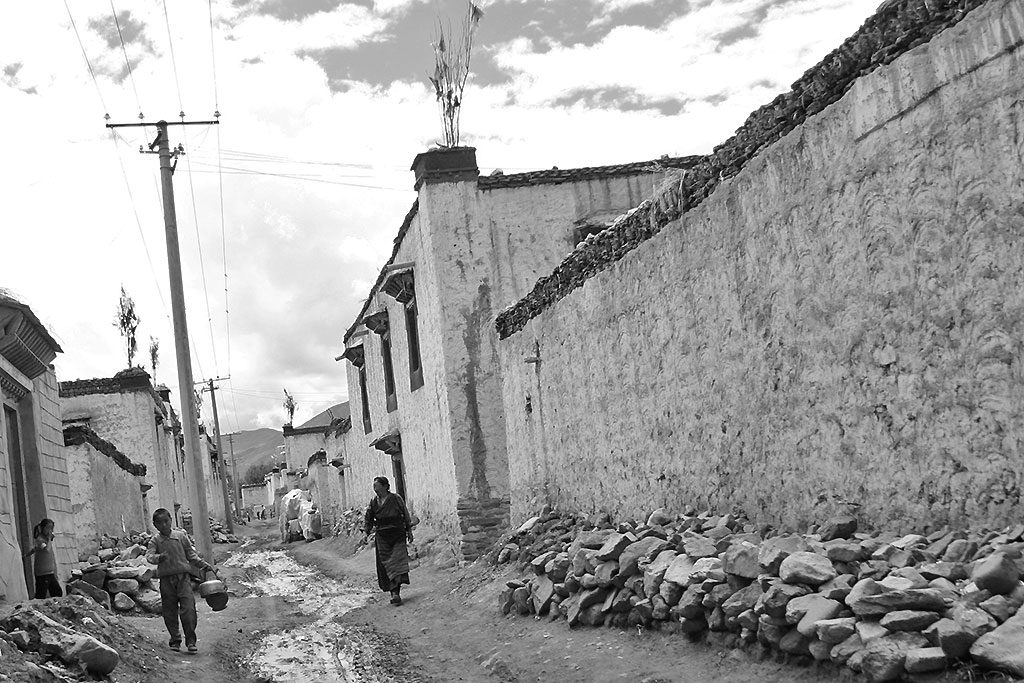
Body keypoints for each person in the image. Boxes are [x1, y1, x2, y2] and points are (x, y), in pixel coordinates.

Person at [146, 508, 218, 654]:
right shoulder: (155, 541)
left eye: (166, 521)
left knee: (189, 609)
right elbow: (149, 557)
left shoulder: (180, 537)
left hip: (183, 579)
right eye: (160, 523)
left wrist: (204, 564)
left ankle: (191, 641)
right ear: (155, 525)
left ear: (171, 520)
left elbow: (191, 555)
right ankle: (175, 640)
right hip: (166, 580)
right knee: (169, 611)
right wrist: (159, 558)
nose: (164, 525)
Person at [363, 476, 414, 605]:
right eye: (374, 486)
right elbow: (368, 518)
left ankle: (396, 592)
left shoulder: (396, 499)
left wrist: (409, 530)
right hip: (382, 537)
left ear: (385, 486)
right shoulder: (374, 502)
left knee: (396, 563)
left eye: (377, 486)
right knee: (386, 564)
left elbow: (405, 515)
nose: (375, 488)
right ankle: (393, 593)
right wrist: (366, 532)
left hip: (397, 534)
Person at [24, 518, 62, 598]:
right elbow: (46, 550)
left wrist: (27, 554)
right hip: (42, 573)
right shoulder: (40, 539)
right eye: (48, 528)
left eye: (51, 528)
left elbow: (35, 549)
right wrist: (49, 538)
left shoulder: (44, 539)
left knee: (57, 592)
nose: (50, 530)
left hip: (49, 572)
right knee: (41, 594)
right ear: (43, 528)